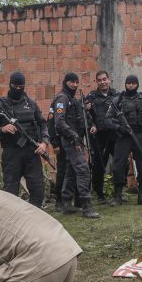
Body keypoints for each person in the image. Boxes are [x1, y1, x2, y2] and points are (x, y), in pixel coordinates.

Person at [0, 71, 49, 208]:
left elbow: (43, 123)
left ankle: (34, 219)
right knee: (10, 191)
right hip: (11, 153)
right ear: (10, 85)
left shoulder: (31, 104)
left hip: (32, 152)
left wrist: (44, 143)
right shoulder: (0, 105)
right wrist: (2, 129)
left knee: (38, 190)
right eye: (16, 86)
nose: (19, 89)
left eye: (21, 87)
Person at [49, 72, 99, 218]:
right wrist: (73, 136)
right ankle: (86, 206)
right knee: (83, 170)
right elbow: (58, 122)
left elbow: (80, 117)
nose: (75, 85)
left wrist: (89, 124)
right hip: (71, 140)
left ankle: (65, 202)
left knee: (71, 170)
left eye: (77, 82)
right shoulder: (62, 98)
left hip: (76, 139)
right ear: (66, 82)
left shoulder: (72, 99)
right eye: (72, 82)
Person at [106, 75, 142, 206]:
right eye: (128, 83)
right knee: (118, 166)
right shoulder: (118, 100)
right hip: (123, 137)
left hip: (140, 135)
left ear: (137, 84)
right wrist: (119, 127)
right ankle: (118, 196)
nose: (130, 86)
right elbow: (107, 119)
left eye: (133, 83)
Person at [85, 71, 120, 204]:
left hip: (115, 134)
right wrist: (91, 124)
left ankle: (118, 192)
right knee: (98, 165)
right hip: (98, 136)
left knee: (120, 162)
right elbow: (84, 114)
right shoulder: (91, 97)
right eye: (99, 80)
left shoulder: (117, 95)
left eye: (104, 79)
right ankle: (100, 194)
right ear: (96, 82)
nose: (102, 82)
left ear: (109, 80)